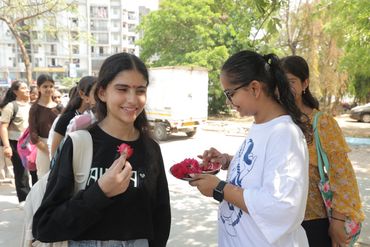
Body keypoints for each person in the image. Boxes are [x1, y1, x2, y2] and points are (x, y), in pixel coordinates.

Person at [32, 52, 171, 246]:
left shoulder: (151, 149)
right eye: (122, 89)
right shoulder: (79, 143)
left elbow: (160, 218)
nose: (132, 99)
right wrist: (100, 192)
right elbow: (45, 226)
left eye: (140, 90)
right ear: (102, 93)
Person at [190, 50, 312, 247]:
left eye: (230, 94)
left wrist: (220, 188)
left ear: (254, 88)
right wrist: (227, 160)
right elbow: (258, 169)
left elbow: (281, 206)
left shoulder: (284, 134)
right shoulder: (262, 125)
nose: (228, 102)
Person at [280, 55, 365, 247]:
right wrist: (228, 160)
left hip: (313, 221)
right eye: (280, 83)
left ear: (305, 83)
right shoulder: (276, 121)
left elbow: (343, 177)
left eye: (291, 81)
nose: (285, 88)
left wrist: (338, 221)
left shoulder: (322, 123)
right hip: (281, 221)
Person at [49, 76, 97, 158]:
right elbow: (55, 152)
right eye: (96, 93)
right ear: (82, 94)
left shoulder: (97, 116)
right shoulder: (66, 118)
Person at [0, 81, 31, 206]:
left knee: (31, 171)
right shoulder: (11, 107)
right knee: (21, 172)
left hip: (30, 143)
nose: (27, 90)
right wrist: (7, 146)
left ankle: (31, 197)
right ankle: (23, 199)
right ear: (15, 92)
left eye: (27, 87)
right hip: (16, 143)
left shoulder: (30, 106)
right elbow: (3, 127)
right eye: (23, 88)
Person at [29, 74, 61, 178]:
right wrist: (49, 150)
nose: (49, 89)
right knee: (45, 180)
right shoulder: (35, 109)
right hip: (43, 148)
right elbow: (33, 136)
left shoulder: (60, 107)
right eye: (45, 86)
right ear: (38, 88)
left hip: (60, 146)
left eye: (51, 86)